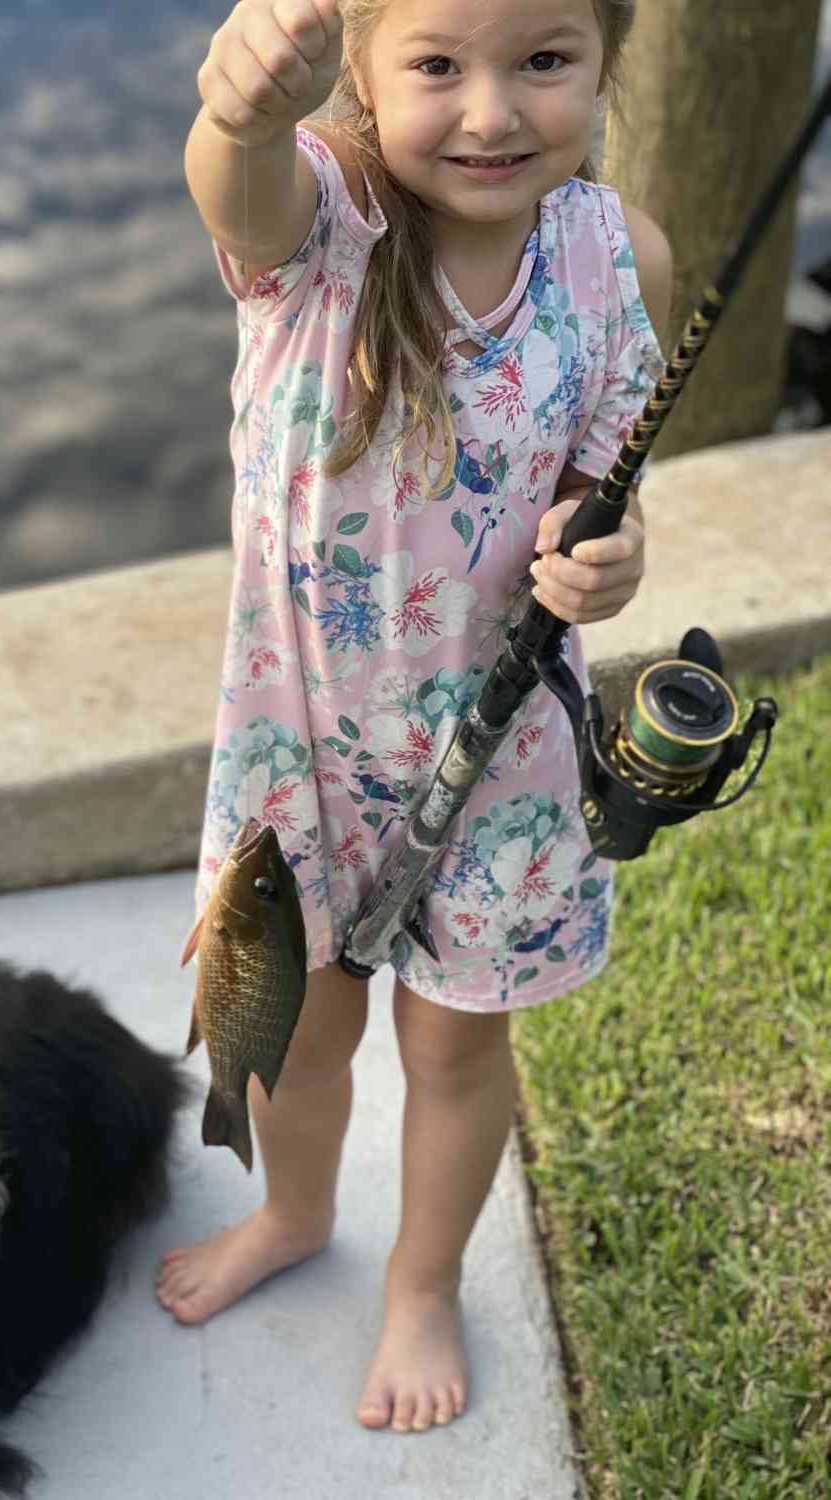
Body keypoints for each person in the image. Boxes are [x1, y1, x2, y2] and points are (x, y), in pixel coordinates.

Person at [155, 0, 673, 1436]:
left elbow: (599, 473)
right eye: (438, 65)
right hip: (299, 753)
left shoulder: (616, 257)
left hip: (503, 753)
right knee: (294, 1039)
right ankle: (298, 1214)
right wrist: (244, 115)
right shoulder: (322, 230)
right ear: (364, 77)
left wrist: (605, 548)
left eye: (544, 61)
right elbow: (235, 190)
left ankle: (425, 1279)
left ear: (606, 59)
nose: (494, 112)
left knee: (454, 1050)